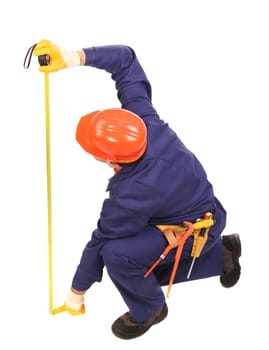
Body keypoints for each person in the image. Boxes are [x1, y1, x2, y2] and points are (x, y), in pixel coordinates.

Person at [33, 40, 241, 340]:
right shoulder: (146, 122)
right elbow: (125, 60)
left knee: (118, 256)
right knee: (136, 260)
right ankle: (221, 254)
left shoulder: (132, 192)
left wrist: (75, 294)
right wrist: (69, 58)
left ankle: (151, 309)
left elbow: (99, 243)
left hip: (192, 230)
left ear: (108, 158)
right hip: (208, 214)